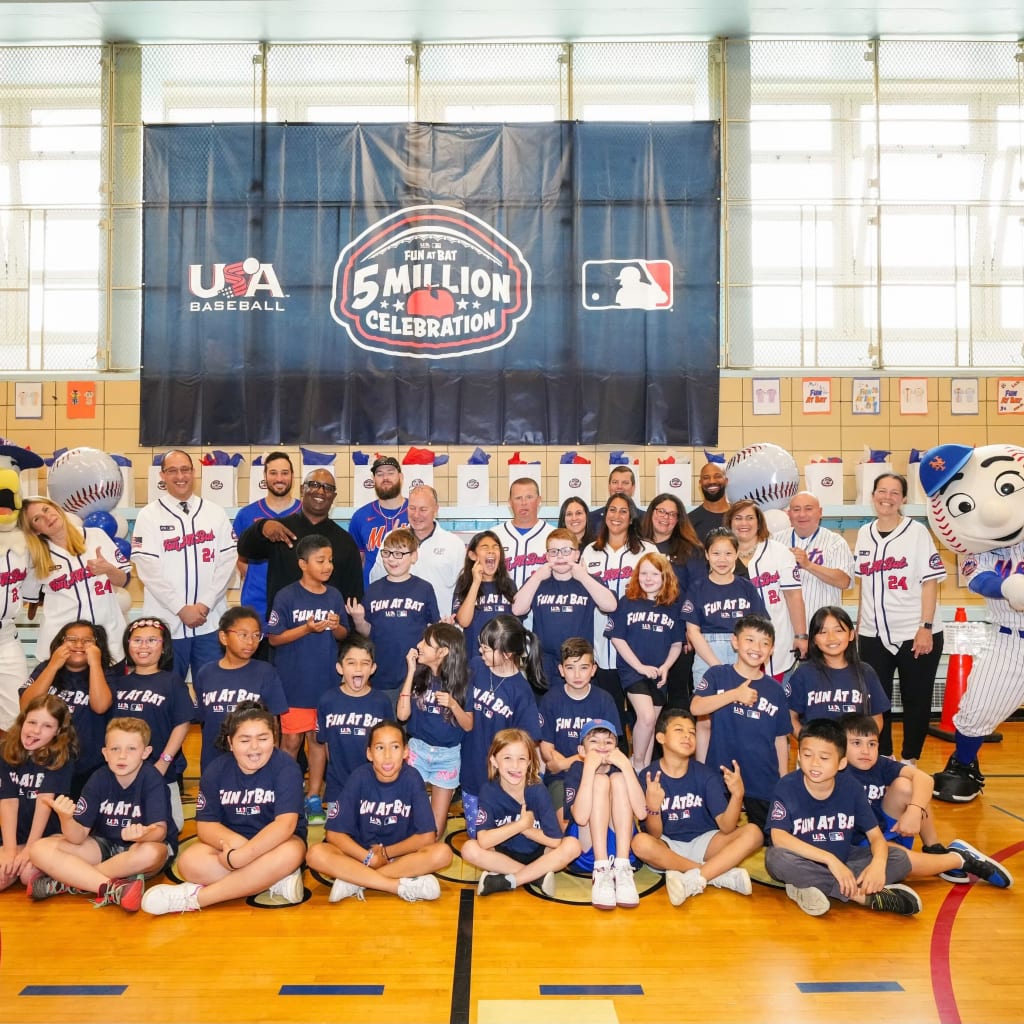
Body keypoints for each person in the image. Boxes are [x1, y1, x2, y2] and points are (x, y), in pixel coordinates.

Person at [921, 443, 1024, 801]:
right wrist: (1008, 585)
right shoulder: (977, 550)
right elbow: (980, 580)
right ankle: (964, 764)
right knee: (975, 706)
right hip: (1011, 641)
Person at [141, 702, 307, 914]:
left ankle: (195, 899)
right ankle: (271, 880)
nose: (255, 747)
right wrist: (239, 850)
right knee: (189, 863)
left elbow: (285, 825)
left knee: (291, 853)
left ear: (274, 738)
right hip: (230, 844)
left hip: (277, 844)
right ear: (230, 742)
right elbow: (207, 826)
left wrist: (244, 856)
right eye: (245, 740)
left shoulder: (286, 767)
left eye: (263, 738)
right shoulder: (216, 770)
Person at [764, 718, 921, 917]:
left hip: (845, 860)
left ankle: (807, 886)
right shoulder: (787, 786)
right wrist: (830, 861)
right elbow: (778, 837)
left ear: (841, 763)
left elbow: (875, 837)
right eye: (807, 755)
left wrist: (878, 865)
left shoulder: (851, 788)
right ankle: (862, 897)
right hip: (805, 860)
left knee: (900, 859)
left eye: (824, 757)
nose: (814, 763)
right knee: (775, 858)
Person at [841, 714, 1011, 888]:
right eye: (856, 743)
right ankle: (958, 859)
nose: (865, 751)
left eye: (872, 744)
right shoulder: (836, 772)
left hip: (888, 830)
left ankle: (934, 848)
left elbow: (925, 779)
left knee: (907, 787)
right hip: (862, 842)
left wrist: (914, 811)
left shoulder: (880, 764)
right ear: (840, 746)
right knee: (896, 859)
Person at [29, 716, 173, 912]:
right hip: (104, 847)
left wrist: (143, 834)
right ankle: (113, 888)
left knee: (152, 852)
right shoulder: (98, 778)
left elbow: (160, 832)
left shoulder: (152, 779)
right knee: (39, 848)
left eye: (131, 749)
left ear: (145, 752)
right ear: (105, 753)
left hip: (136, 852)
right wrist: (66, 818)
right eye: (115, 749)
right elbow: (78, 837)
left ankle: (71, 881)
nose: (122, 756)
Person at [306, 720, 452, 904]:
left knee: (443, 853)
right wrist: (368, 858)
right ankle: (395, 886)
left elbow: (427, 837)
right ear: (369, 753)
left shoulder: (412, 778)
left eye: (395, 747)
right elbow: (334, 833)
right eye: (380, 748)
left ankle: (355, 880)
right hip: (359, 856)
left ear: (406, 752)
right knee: (315, 854)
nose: (388, 756)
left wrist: (385, 853)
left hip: (400, 858)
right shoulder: (359, 777)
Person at [855, 472, 946, 763]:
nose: (887, 497)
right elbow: (864, 587)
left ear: (904, 499)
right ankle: (883, 758)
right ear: (872, 496)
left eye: (895, 492)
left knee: (915, 700)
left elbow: (929, 582)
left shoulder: (916, 532)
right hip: (873, 634)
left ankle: (909, 760)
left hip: (914, 631)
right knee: (876, 702)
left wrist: (926, 627)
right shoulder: (863, 534)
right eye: (882, 491)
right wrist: (858, 627)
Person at [631, 708, 763, 906]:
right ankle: (714, 874)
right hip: (668, 845)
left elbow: (726, 827)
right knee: (640, 843)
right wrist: (653, 807)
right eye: (679, 730)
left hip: (705, 842)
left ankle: (696, 877)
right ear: (660, 737)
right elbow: (655, 834)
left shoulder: (706, 775)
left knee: (754, 832)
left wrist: (737, 795)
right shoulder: (648, 776)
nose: (687, 736)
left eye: (692, 732)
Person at [131, 450, 237, 680]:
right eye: (172, 471)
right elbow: (148, 569)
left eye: (185, 469)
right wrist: (181, 608)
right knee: (166, 693)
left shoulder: (215, 513)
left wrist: (205, 603)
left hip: (209, 622)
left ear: (194, 472)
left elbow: (228, 562)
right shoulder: (148, 516)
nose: (180, 476)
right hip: (167, 622)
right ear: (162, 475)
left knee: (211, 691)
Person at [266, 533, 349, 825]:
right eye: (320, 561)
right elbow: (274, 638)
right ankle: (286, 795)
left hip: (325, 684)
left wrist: (337, 626)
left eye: (330, 560)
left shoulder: (334, 595)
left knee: (317, 740)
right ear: (303, 564)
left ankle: (314, 796)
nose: (328, 566)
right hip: (293, 684)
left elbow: (343, 635)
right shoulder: (287, 596)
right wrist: (306, 629)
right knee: (289, 741)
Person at [690, 615, 790, 832]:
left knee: (770, 838)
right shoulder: (718, 675)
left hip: (762, 779)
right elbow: (696, 708)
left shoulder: (775, 690)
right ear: (735, 642)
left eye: (765, 643)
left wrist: (783, 779)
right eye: (750, 640)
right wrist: (735, 694)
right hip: (720, 775)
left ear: (772, 649)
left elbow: (780, 739)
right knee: (714, 834)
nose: (757, 648)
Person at [460, 727, 581, 897]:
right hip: (504, 857)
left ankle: (510, 880)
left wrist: (528, 830)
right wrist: (520, 825)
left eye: (522, 759)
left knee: (572, 846)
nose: (515, 766)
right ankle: (535, 877)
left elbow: (554, 841)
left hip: (538, 855)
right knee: (469, 849)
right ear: (494, 761)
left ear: (530, 762)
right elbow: (484, 841)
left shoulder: (537, 790)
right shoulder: (488, 790)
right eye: (507, 758)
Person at [236, 467, 364, 620]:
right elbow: (245, 550)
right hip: (283, 632)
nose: (321, 491)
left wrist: (348, 638)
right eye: (314, 484)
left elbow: (354, 596)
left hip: (329, 635)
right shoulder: (279, 530)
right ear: (303, 489)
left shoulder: (346, 541)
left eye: (328, 488)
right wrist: (261, 527)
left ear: (333, 496)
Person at [459, 614, 544, 837]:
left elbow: (526, 741)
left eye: (487, 649)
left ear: (507, 654)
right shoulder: (476, 667)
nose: (481, 652)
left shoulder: (521, 692)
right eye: (480, 646)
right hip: (471, 770)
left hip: (500, 783)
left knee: (501, 838)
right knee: (476, 835)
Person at [19, 496, 131, 664]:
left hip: (108, 637)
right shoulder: (35, 557)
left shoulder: (96, 535)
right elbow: (29, 596)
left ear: (55, 507)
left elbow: (122, 580)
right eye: (37, 519)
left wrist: (108, 569)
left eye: (46, 509)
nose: (47, 517)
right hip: (62, 644)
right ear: (34, 530)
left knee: (109, 689)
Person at [581, 494, 657, 727]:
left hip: (638, 642)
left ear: (632, 517)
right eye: (612, 510)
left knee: (643, 716)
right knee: (609, 713)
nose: (617, 516)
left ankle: (646, 762)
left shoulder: (647, 550)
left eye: (623, 511)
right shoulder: (590, 551)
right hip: (600, 640)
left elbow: (661, 594)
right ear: (605, 516)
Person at [115, 617, 196, 833]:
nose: (144, 646)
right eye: (137, 640)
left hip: (159, 770)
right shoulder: (116, 683)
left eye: (152, 640)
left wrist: (164, 762)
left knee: (172, 826)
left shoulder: (172, 682)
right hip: (120, 772)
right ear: (127, 644)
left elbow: (182, 724)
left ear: (164, 646)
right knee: (121, 828)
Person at [18, 619, 115, 796]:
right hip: (46, 763)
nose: (79, 645)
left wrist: (95, 664)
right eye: (71, 639)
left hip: (88, 766)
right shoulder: (45, 669)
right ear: (60, 643)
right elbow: (26, 705)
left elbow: (100, 706)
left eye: (87, 641)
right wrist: (53, 665)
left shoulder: (105, 673)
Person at [607, 552, 685, 770]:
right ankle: (636, 762)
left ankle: (644, 769)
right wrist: (639, 667)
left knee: (650, 726)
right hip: (633, 671)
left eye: (654, 574)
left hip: (659, 674)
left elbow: (676, 644)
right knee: (647, 717)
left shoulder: (672, 607)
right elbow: (617, 638)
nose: (648, 578)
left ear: (665, 577)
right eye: (643, 573)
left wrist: (667, 667)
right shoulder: (627, 602)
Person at [346, 527, 440, 705]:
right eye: (387, 553)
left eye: (399, 554)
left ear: (413, 556)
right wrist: (358, 618)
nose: (391, 558)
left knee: (412, 726)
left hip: (416, 673)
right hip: (383, 672)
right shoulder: (373, 589)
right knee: (387, 725)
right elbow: (367, 633)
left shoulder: (424, 588)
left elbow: (433, 629)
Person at [511, 527, 617, 685]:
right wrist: (537, 577)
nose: (560, 556)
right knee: (544, 708)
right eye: (553, 551)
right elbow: (517, 609)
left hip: (579, 662)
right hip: (543, 662)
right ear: (547, 556)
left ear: (577, 554)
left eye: (566, 550)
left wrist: (584, 577)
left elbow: (610, 606)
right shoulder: (538, 582)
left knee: (579, 707)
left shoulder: (588, 581)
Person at [562, 718, 647, 909]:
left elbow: (642, 813)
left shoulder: (622, 768)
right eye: (594, 741)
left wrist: (626, 766)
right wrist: (589, 770)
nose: (602, 746)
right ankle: (601, 870)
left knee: (617, 779)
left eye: (608, 742)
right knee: (600, 782)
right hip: (587, 853)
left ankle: (623, 868)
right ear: (582, 751)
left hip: (620, 850)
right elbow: (581, 817)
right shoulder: (577, 769)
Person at [192, 606, 289, 773]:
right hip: (213, 763)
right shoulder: (205, 673)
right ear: (224, 637)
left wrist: (271, 764)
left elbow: (273, 723)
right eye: (243, 635)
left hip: (254, 762)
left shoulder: (266, 672)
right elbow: (204, 719)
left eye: (256, 636)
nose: (250, 642)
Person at [397, 623, 472, 838]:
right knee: (406, 821)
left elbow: (469, 725)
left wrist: (453, 705)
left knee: (435, 832)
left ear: (443, 652)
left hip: (447, 756)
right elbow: (402, 715)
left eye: (426, 644)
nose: (419, 645)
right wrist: (411, 671)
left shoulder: (464, 680)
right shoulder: (419, 674)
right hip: (417, 751)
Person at [538, 636, 621, 819]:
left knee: (603, 820)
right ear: (561, 670)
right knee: (567, 827)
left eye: (583, 668)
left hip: (599, 773)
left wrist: (565, 763)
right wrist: (562, 764)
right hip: (560, 778)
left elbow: (609, 749)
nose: (577, 675)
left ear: (593, 670)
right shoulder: (551, 700)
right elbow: (546, 749)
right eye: (570, 668)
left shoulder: (604, 700)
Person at [723, 500, 807, 679]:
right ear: (730, 523)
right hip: (733, 639)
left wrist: (801, 635)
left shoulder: (779, 552)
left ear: (759, 522)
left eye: (750, 518)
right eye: (738, 518)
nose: (744, 523)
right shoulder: (721, 554)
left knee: (771, 697)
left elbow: (794, 596)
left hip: (775, 635)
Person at [0, 695, 76, 891]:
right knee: (4, 871)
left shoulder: (61, 756)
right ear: (22, 720)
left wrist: (31, 848)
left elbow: (45, 802)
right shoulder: (6, 751)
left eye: (47, 726)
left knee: (27, 875)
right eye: (32, 722)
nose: (35, 730)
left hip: (47, 835)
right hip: (15, 835)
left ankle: (63, 880)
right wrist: (10, 850)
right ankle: (17, 857)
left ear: (58, 731)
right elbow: (8, 801)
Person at [682, 528, 767, 693]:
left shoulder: (747, 587)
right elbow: (692, 632)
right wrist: (717, 666)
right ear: (707, 554)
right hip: (707, 653)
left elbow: (759, 627)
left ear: (736, 554)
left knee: (743, 707)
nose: (722, 559)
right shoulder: (697, 588)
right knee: (706, 711)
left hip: (743, 652)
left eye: (728, 553)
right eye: (716, 553)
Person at [317, 636, 393, 814]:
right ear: (339, 667)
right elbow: (326, 744)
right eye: (351, 663)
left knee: (372, 835)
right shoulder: (327, 701)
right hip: (337, 787)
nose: (358, 668)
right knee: (335, 836)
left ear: (373, 668)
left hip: (374, 785)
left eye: (365, 663)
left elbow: (386, 745)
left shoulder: (382, 702)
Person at [787, 606, 889, 735]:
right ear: (814, 639)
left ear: (851, 635)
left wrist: (861, 745)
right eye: (823, 632)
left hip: (854, 753)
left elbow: (876, 719)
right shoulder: (803, 674)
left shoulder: (866, 672)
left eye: (839, 630)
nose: (831, 638)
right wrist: (808, 743)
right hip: (818, 752)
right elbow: (790, 717)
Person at [232, 451, 302, 633]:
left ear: (293, 476)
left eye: (285, 473)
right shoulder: (246, 515)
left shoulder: (305, 513)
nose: (279, 478)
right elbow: (240, 558)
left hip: (296, 604)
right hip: (256, 605)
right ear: (265, 476)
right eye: (273, 473)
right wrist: (259, 578)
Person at [370, 484, 464, 617]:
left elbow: (463, 589)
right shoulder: (391, 538)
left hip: (440, 629)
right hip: (401, 624)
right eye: (412, 508)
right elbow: (375, 579)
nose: (416, 515)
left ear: (436, 510)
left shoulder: (454, 544)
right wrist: (393, 546)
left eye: (423, 509)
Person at [772, 491, 854, 623]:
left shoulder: (835, 542)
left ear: (820, 512)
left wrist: (809, 565)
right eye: (796, 509)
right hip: (785, 626)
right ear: (789, 514)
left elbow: (844, 581)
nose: (802, 514)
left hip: (822, 626)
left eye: (808, 509)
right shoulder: (775, 541)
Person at [452, 530, 517, 658]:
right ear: (472, 555)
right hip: (475, 656)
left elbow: (516, 622)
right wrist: (476, 582)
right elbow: (463, 622)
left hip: (505, 658)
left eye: (495, 547)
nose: (491, 551)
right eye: (484, 547)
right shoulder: (464, 583)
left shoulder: (509, 585)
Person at [348, 455, 409, 588]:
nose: (385, 478)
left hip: (409, 593)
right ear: (374, 480)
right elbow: (358, 563)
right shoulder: (360, 517)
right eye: (379, 474)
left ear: (401, 477)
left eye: (390, 473)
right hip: (372, 596)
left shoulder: (415, 513)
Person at [491, 478, 553, 591]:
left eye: (529, 497)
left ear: (539, 500)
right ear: (510, 502)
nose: (524, 503)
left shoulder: (554, 535)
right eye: (518, 498)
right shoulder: (493, 536)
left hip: (541, 607)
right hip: (501, 606)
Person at [587, 466, 642, 537]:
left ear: (633, 488)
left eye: (625, 483)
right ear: (609, 486)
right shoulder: (592, 518)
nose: (619, 487)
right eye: (615, 482)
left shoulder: (646, 519)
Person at [688, 462, 730, 542]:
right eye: (706, 477)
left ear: (726, 481)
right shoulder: (689, 521)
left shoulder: (739, 517)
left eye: (717, 476)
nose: (712, 481)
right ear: (700, 483)